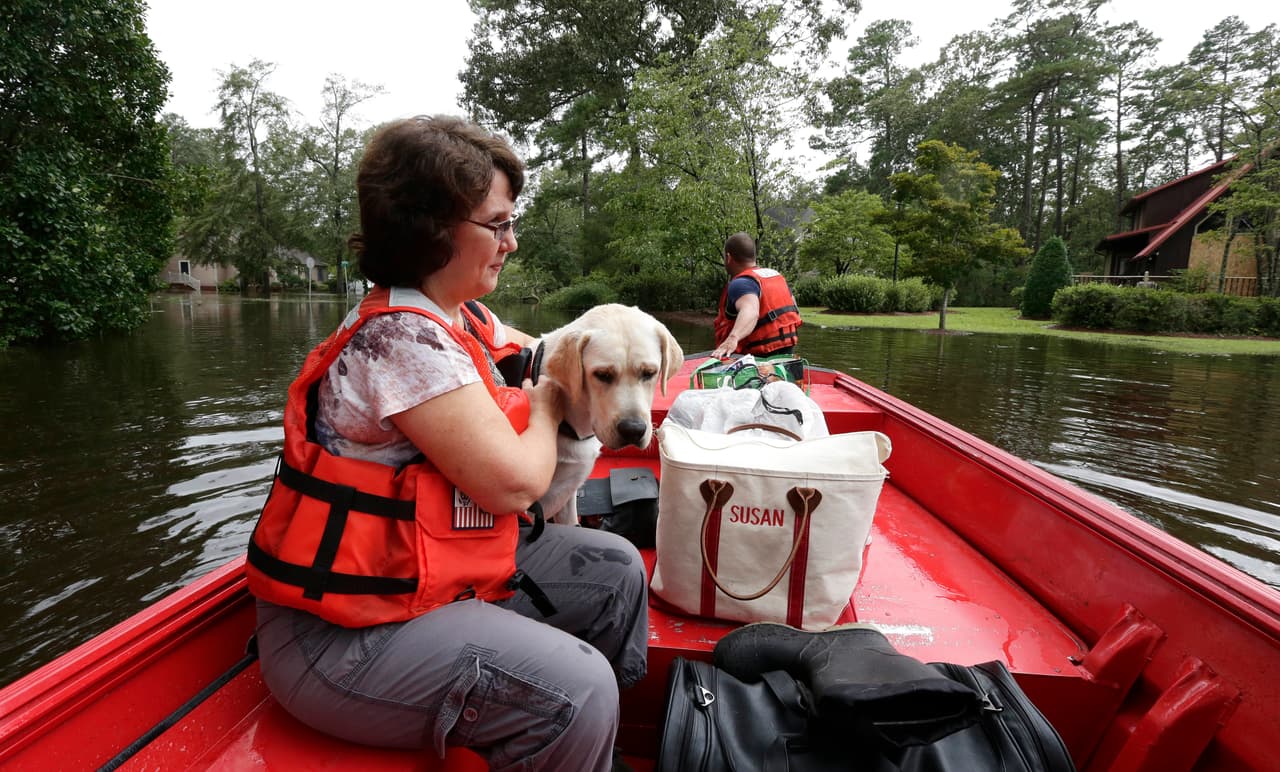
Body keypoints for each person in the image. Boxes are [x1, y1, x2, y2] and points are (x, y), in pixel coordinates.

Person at [244, 116, 648, 772]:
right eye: (497, 224)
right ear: (431, 229)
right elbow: (515, 484)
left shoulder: (462, 322)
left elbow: (546, 352)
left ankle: (596, 750)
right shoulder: (399, 340)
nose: (511, 242)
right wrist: (546, 405)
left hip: (426, 583)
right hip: (343, 642)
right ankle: (563, 716)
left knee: (615, 572)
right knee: (578, 689)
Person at [710, 232, 802, 359]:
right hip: (785, 356)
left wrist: (733, 338)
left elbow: (751, 311)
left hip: (756, 360)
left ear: (728, 257)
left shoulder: (741, 283)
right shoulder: (776, 276)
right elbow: (794, 307)